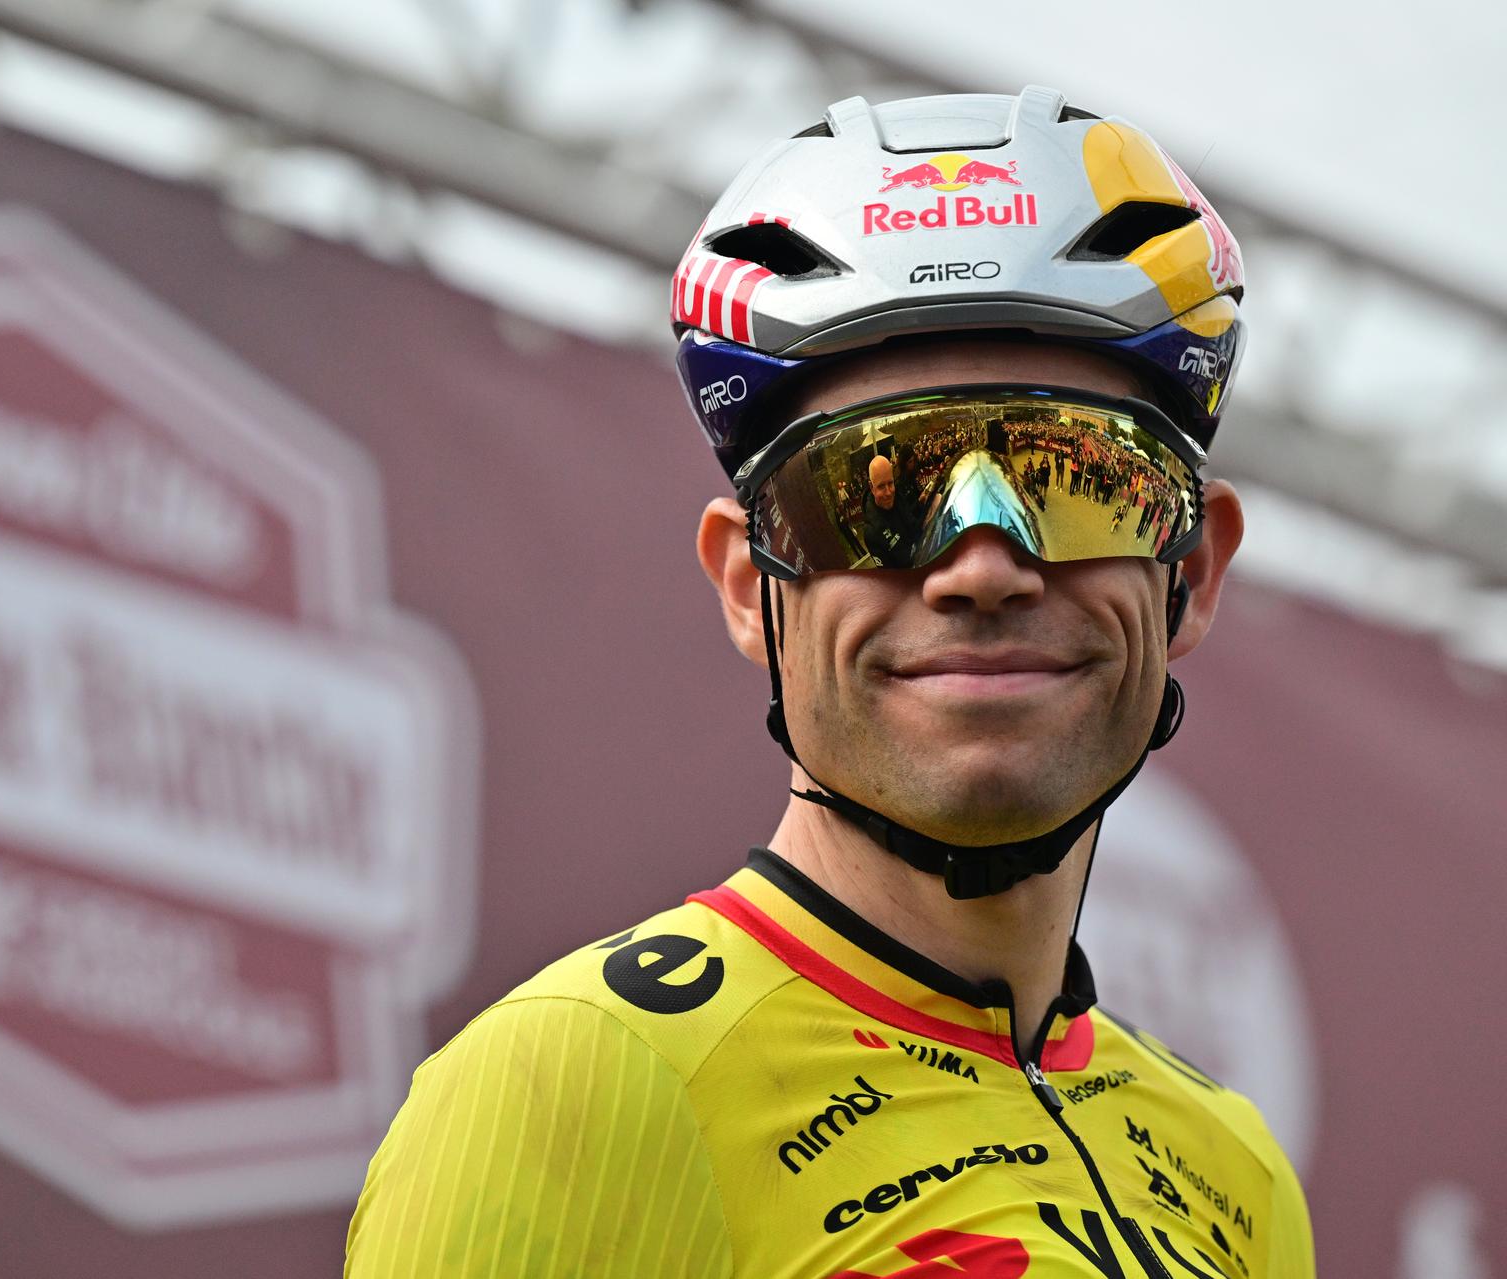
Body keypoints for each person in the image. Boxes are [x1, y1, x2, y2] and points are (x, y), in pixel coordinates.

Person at [346, 86, 1311, 1278]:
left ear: (1195, 569)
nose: (981, 564)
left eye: (1072, 476)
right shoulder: (576, 1082)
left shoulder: (1239, 1174)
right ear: (753, 587)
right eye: (875, 487)